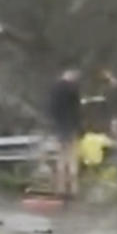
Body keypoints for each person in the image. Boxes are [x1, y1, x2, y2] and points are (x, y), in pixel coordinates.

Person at [48, 68, 82, 199]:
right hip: (71, 127)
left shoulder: (55, 89)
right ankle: (73, 189)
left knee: (61, 159)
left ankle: (60, 188)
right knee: (72, 158)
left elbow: (52, 109)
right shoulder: (73, 89)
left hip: (59, 128)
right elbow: (77, 110)